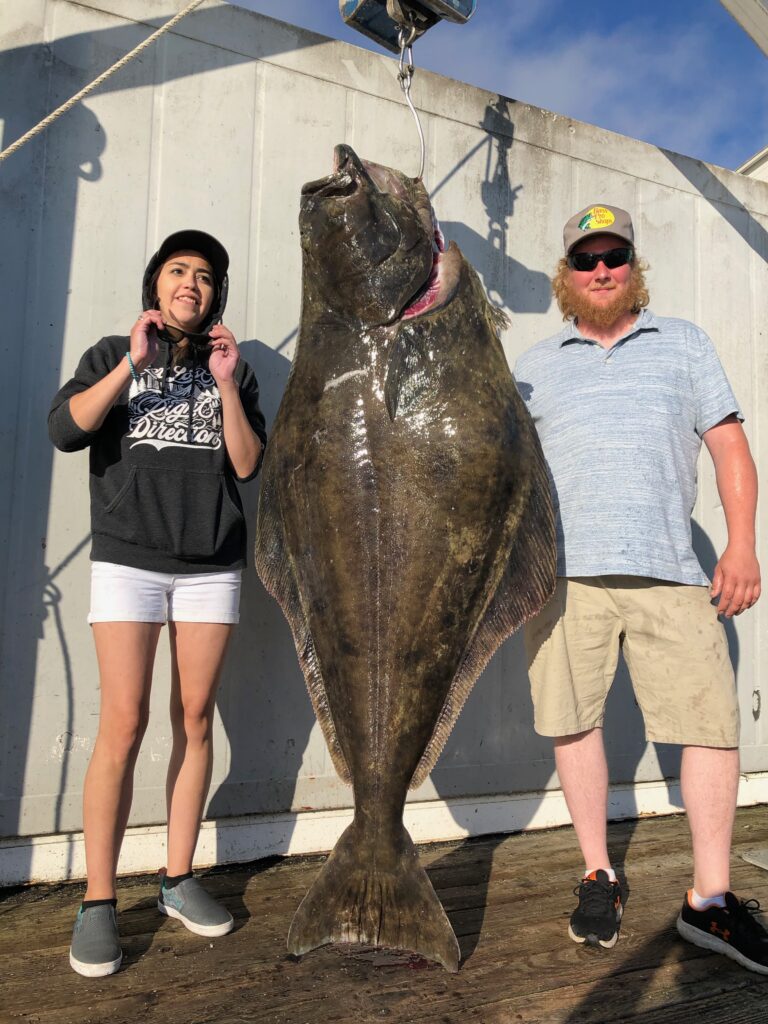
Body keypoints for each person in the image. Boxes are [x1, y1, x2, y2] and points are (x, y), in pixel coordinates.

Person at [514, 204, 768, 974]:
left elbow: (728, 446)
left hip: (671, 570)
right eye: (586, 260)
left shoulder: (684, 343)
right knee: (572, 721)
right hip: (563, 578)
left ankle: (711, 901)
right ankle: (598, 873)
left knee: (710, 727)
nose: (601, 272)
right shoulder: (532, 364)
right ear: (566, 274)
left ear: (633, 266)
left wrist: (743, 544)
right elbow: (506, 479)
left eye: (614, 257)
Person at [48, 230, 267, 978]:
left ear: (217, 295)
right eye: (179, 270)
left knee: (195, 718)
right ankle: (99, 901)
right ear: (156, 283)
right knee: (125, 722)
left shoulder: (230, 369)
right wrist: (130, 369)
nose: (192, 284)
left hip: (211, 565)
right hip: (129, 561)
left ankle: (177, 878)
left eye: (206, 276)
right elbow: (65, 429)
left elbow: (245, 463)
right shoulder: (114, 351)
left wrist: (229, 383)